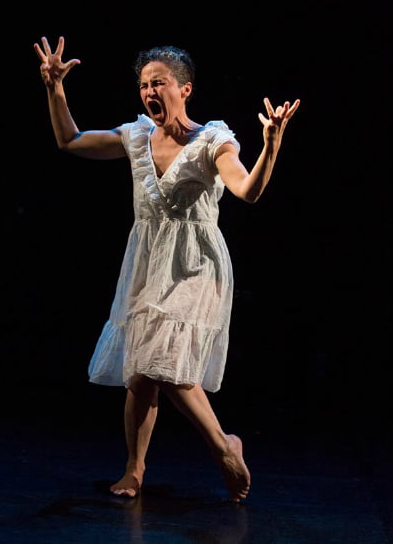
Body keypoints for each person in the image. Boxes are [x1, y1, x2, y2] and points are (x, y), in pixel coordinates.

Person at [33, 35, 300, 503]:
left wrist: (271, 146)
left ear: (185, 89)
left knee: (164, 362)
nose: (149, 92)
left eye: (158, 83)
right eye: (143, 85)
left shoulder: (213, 141)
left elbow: (248, 190)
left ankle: (223, 446)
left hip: (196, 265)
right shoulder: (136, 137)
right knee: (141, 374)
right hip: (147, 263)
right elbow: (69, 140)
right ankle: (135, 468)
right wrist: (55, 88)